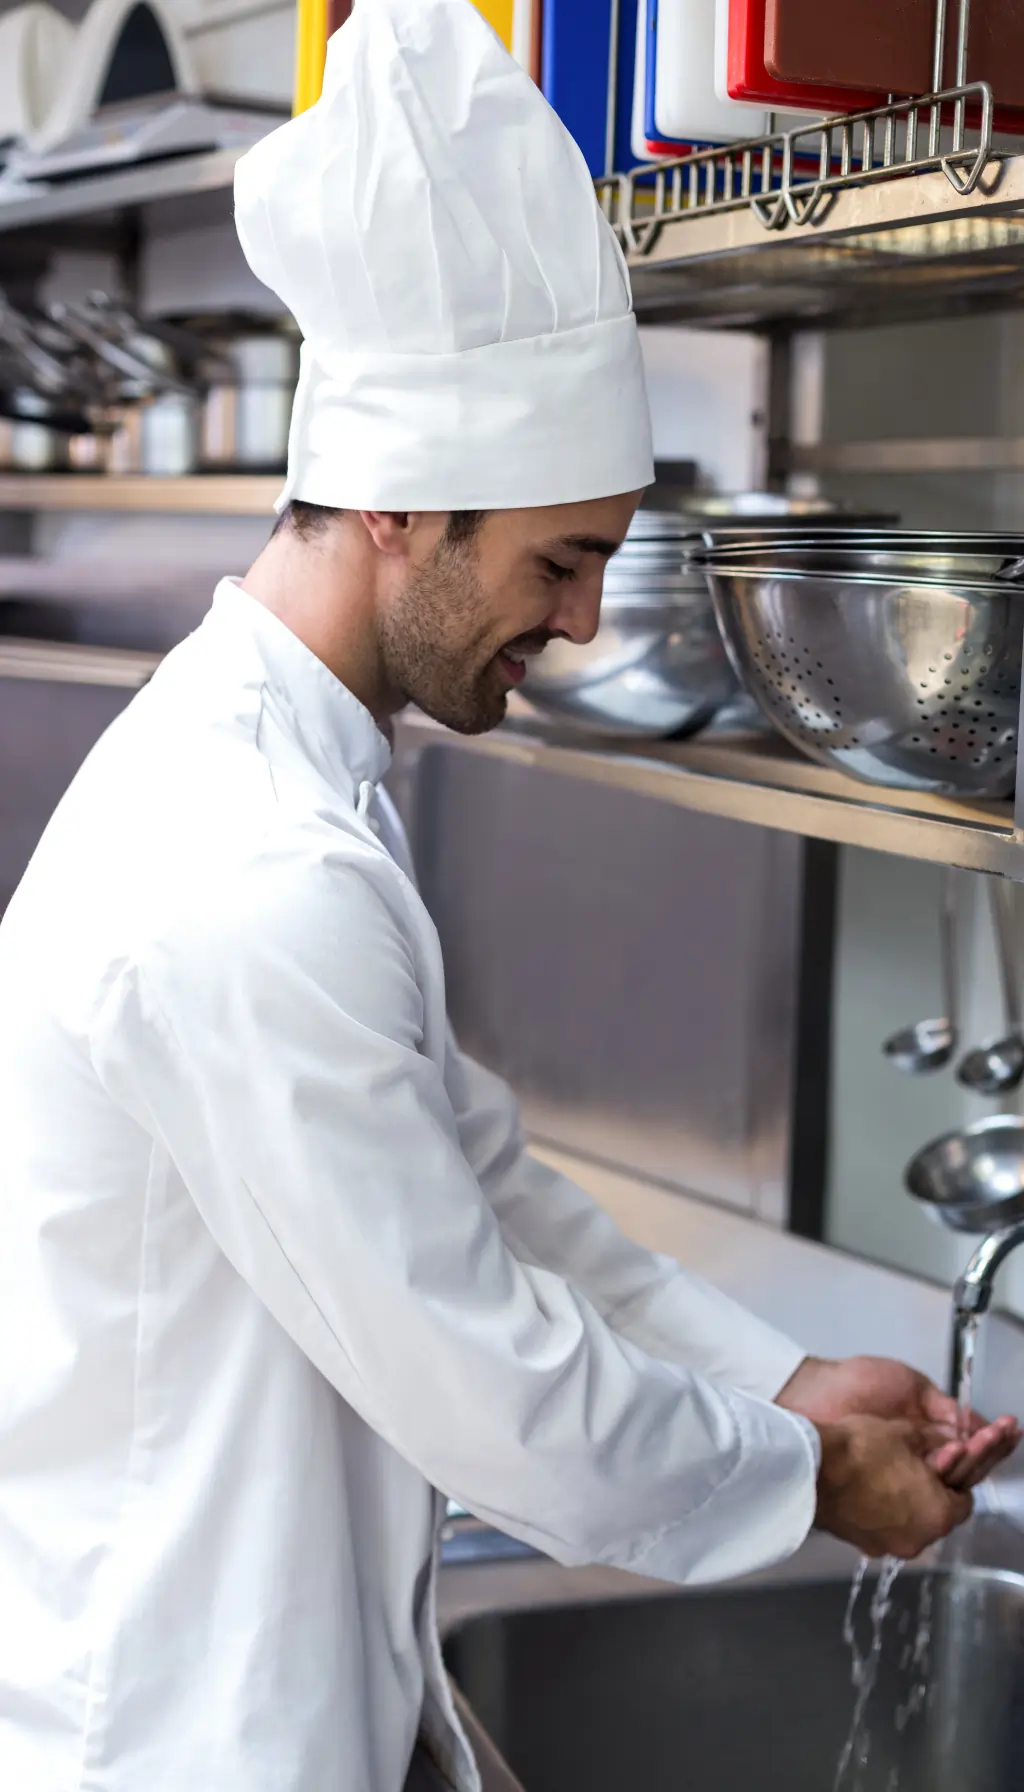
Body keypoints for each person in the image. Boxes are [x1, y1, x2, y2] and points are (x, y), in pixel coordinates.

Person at [0, 3, 1017, 1790]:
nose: (569, 624)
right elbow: (496, 1387)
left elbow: (479, 1187)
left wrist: (775, 1386)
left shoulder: (291, 777)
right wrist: (809, 1481)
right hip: (165, 1726)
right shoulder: (246, 876)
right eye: (558, 564)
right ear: (398, 506)